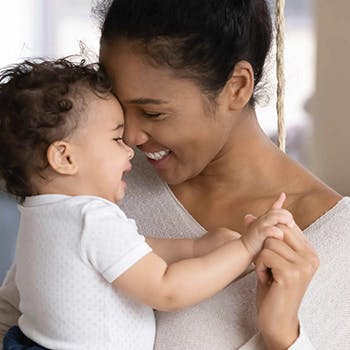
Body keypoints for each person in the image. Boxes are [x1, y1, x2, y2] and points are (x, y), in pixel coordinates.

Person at [0, 0, 349, 348]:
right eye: (120, 109)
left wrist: (282, 338)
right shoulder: (97, 178)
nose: (130, 137)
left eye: (153, 113)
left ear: (238, 87)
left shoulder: (339, 245)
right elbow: (13, 317)